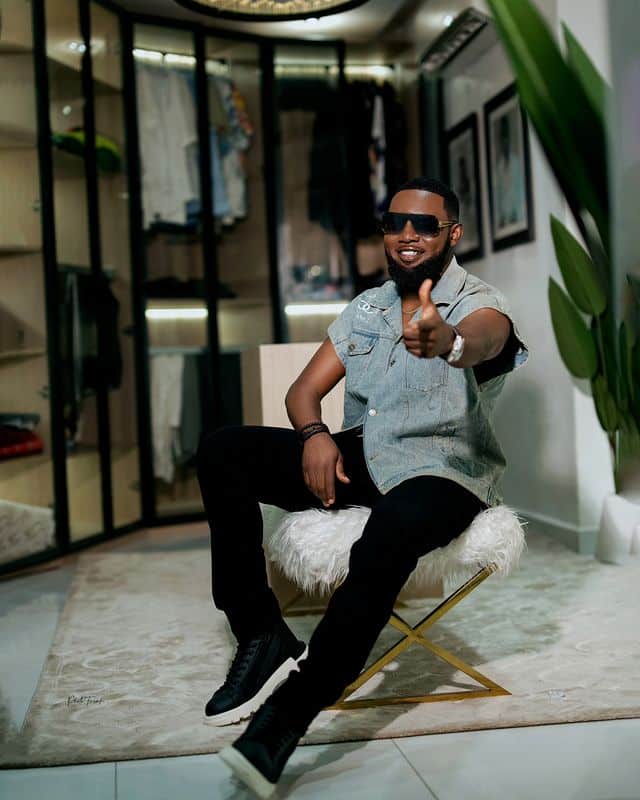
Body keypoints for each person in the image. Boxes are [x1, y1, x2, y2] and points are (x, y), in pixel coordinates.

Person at [196, 177, 529, 797]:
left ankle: (288, 715)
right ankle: (261, 634)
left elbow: (484, 339)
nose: (407, 234)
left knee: (388, 533)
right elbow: (303, 391)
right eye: (395, 222)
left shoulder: (480, 303)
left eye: (425, 225)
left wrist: (448, 341)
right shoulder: (366, 309)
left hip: (443, 469)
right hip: (362, 454)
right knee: (223, 451)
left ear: (453, 234)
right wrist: (314, 434)